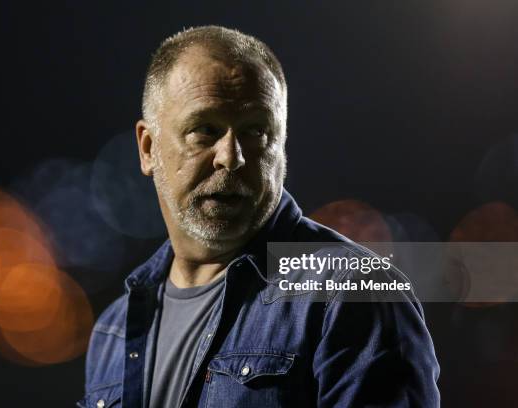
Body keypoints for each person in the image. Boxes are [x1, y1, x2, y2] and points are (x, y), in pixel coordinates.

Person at [78, 25, 440, 408]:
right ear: (148, 148)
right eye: (204, 130)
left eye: (256, 131)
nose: (231, 157)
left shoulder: (351, 293)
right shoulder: (115, 330)